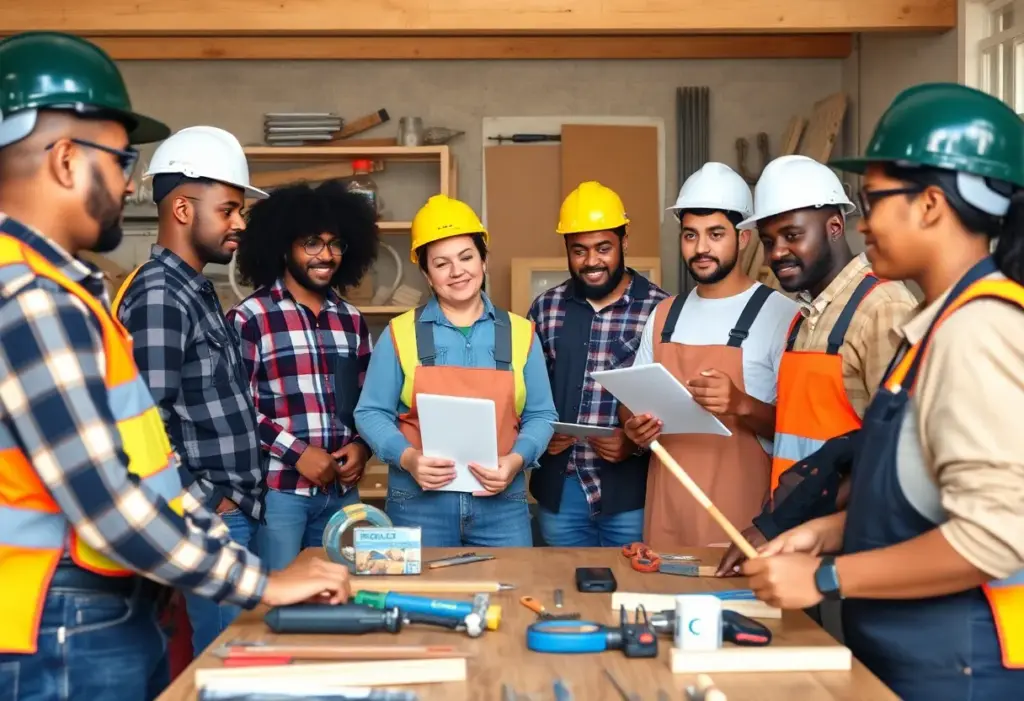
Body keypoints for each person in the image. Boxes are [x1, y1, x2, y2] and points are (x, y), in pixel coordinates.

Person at [0, 31, 351, 701]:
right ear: (67, 160)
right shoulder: (30, 297)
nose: (129, 183)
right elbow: (109, 499)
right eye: (120, 160)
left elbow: (140, 454)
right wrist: (261, 580)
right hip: (60, 619)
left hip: (86, 608)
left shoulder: (62, 290)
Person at [741, 82, 1024, 701]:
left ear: (931, 204)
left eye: (872, 200)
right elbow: (921, 497)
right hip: (916, 654)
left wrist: (826, 576)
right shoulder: (935, 326)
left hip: (962, 664)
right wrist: (833, 530)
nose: (862, 223)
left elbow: (996, 537)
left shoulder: (979, 331)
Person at [715, 154, 918, 576]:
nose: (777, 252)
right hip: (796, 534)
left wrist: (784, 525)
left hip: (849, 544)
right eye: (768, 240)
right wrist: (778, 519)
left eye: (792, 235)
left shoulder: (882, 307)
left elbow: (896, 452)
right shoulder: (803, 318)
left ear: (835, 227)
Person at [113, 126, 270, 656]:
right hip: (215, 518)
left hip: (234, 513)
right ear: (182, 209)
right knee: (229, 663)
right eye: (228, 210)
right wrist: (207, 500)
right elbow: (143, 423)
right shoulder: (161, 295)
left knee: (240, 658)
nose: (240, 222)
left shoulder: (193, 290)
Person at [354, 194, 558, 547]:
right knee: (419, 586)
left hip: (502, 506)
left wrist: (516, 460)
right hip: (418, 505)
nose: (457, 271)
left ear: (484, 260)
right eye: (441, 263)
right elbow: (370, 412)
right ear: (426, 274)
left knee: (508, 584)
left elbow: (542, 414)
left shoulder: (521, 333)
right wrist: (409, 458)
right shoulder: (400, 333)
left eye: (466, 257)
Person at [621, 163, 799, 549]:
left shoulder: (782, 316)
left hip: (743, 519)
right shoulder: (664, 314)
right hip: (667, 511)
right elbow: (631, 402)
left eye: (715, 234)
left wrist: (741, 404)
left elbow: (799, 433)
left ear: (744, 237)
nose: (701, 248)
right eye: (691, 235)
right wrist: (633, 428)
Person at [228, 181, 379, 571]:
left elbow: (370, 401)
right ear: (283, 247)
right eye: (311, 243)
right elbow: (236, 409)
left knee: (343, 593)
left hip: (343, 492)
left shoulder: (352, 321)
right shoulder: (250, 318)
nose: (326, 255)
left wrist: (362, 447)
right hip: (280, 493)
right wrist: (299, 454)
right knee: (280, 596)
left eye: (334, 244)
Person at [527, 181, 669, 547]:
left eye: (603, 248)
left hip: (631, 492)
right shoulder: (545, 308)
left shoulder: (660, 309)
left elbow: (672, 401)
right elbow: (524, 391)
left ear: (624, 242)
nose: (591, 261)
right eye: (579, 250)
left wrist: (635, 445)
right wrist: (540, 436)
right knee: (564, 579)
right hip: (561, 491)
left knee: (632, 578)